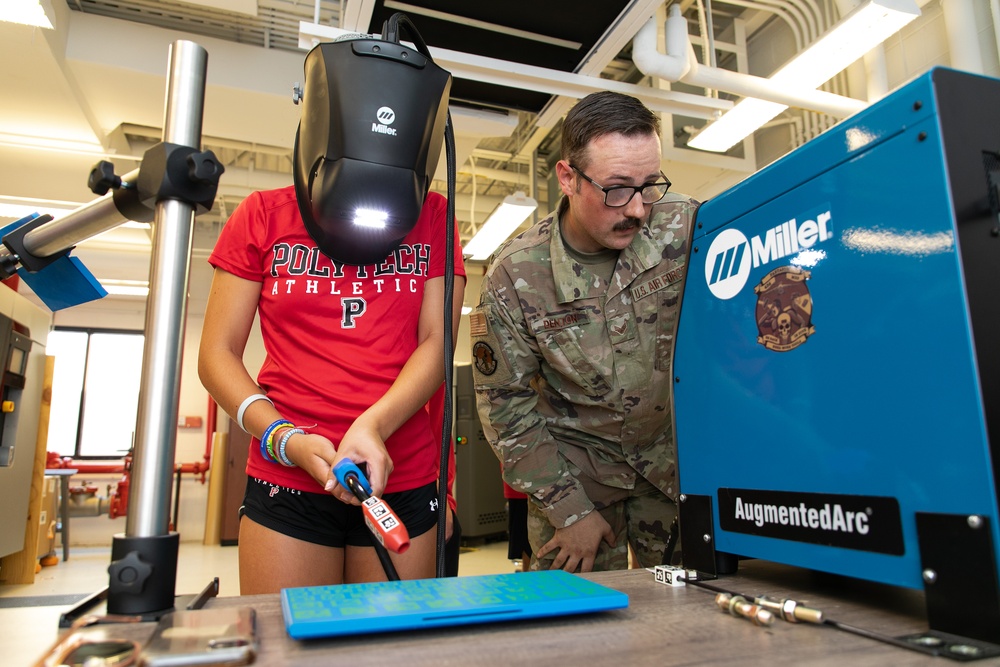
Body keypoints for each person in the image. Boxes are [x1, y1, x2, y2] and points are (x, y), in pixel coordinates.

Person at [199, 184, 466, 594]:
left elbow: (438, 342)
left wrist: (372, 427)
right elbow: (217, 355)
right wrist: (286, 439)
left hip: (402, 476)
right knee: (289, 648)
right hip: (286, 477)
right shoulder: (263, 213)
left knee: (392, 652)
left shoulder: (432, 213)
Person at [471, 91, 697, 573]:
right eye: (617, 189)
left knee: (700, 614)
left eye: (649, 185)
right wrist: (568, 510)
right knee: (577, 632)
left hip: (674, 469)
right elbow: (505, 407)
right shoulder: (516, 276)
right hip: (576, 478)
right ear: (568, 177)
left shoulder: (685, 228)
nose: (637, 209)